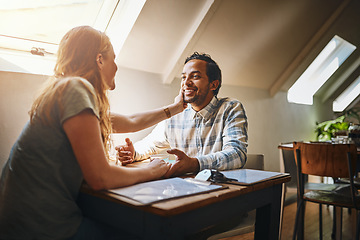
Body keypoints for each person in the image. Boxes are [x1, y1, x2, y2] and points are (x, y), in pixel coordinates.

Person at [0, 26, 186, 240]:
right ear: (99, 59)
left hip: (19, 223)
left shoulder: (64, 89)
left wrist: (176, 108)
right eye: (113, 58)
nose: (116, 67)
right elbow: (100, 178)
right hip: (40, 228)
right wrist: (153, 171)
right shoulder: (75, 88)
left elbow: (132, 121)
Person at [117, 52, 248, 177]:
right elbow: (150, 145)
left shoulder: (230, 108)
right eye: (184, 77)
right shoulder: (175, 115)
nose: (186, 83)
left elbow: (237, 154)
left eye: (195, 76)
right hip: (185, 188)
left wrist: (194, 164)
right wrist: (132, 153)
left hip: (223, 189)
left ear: (213, 84)